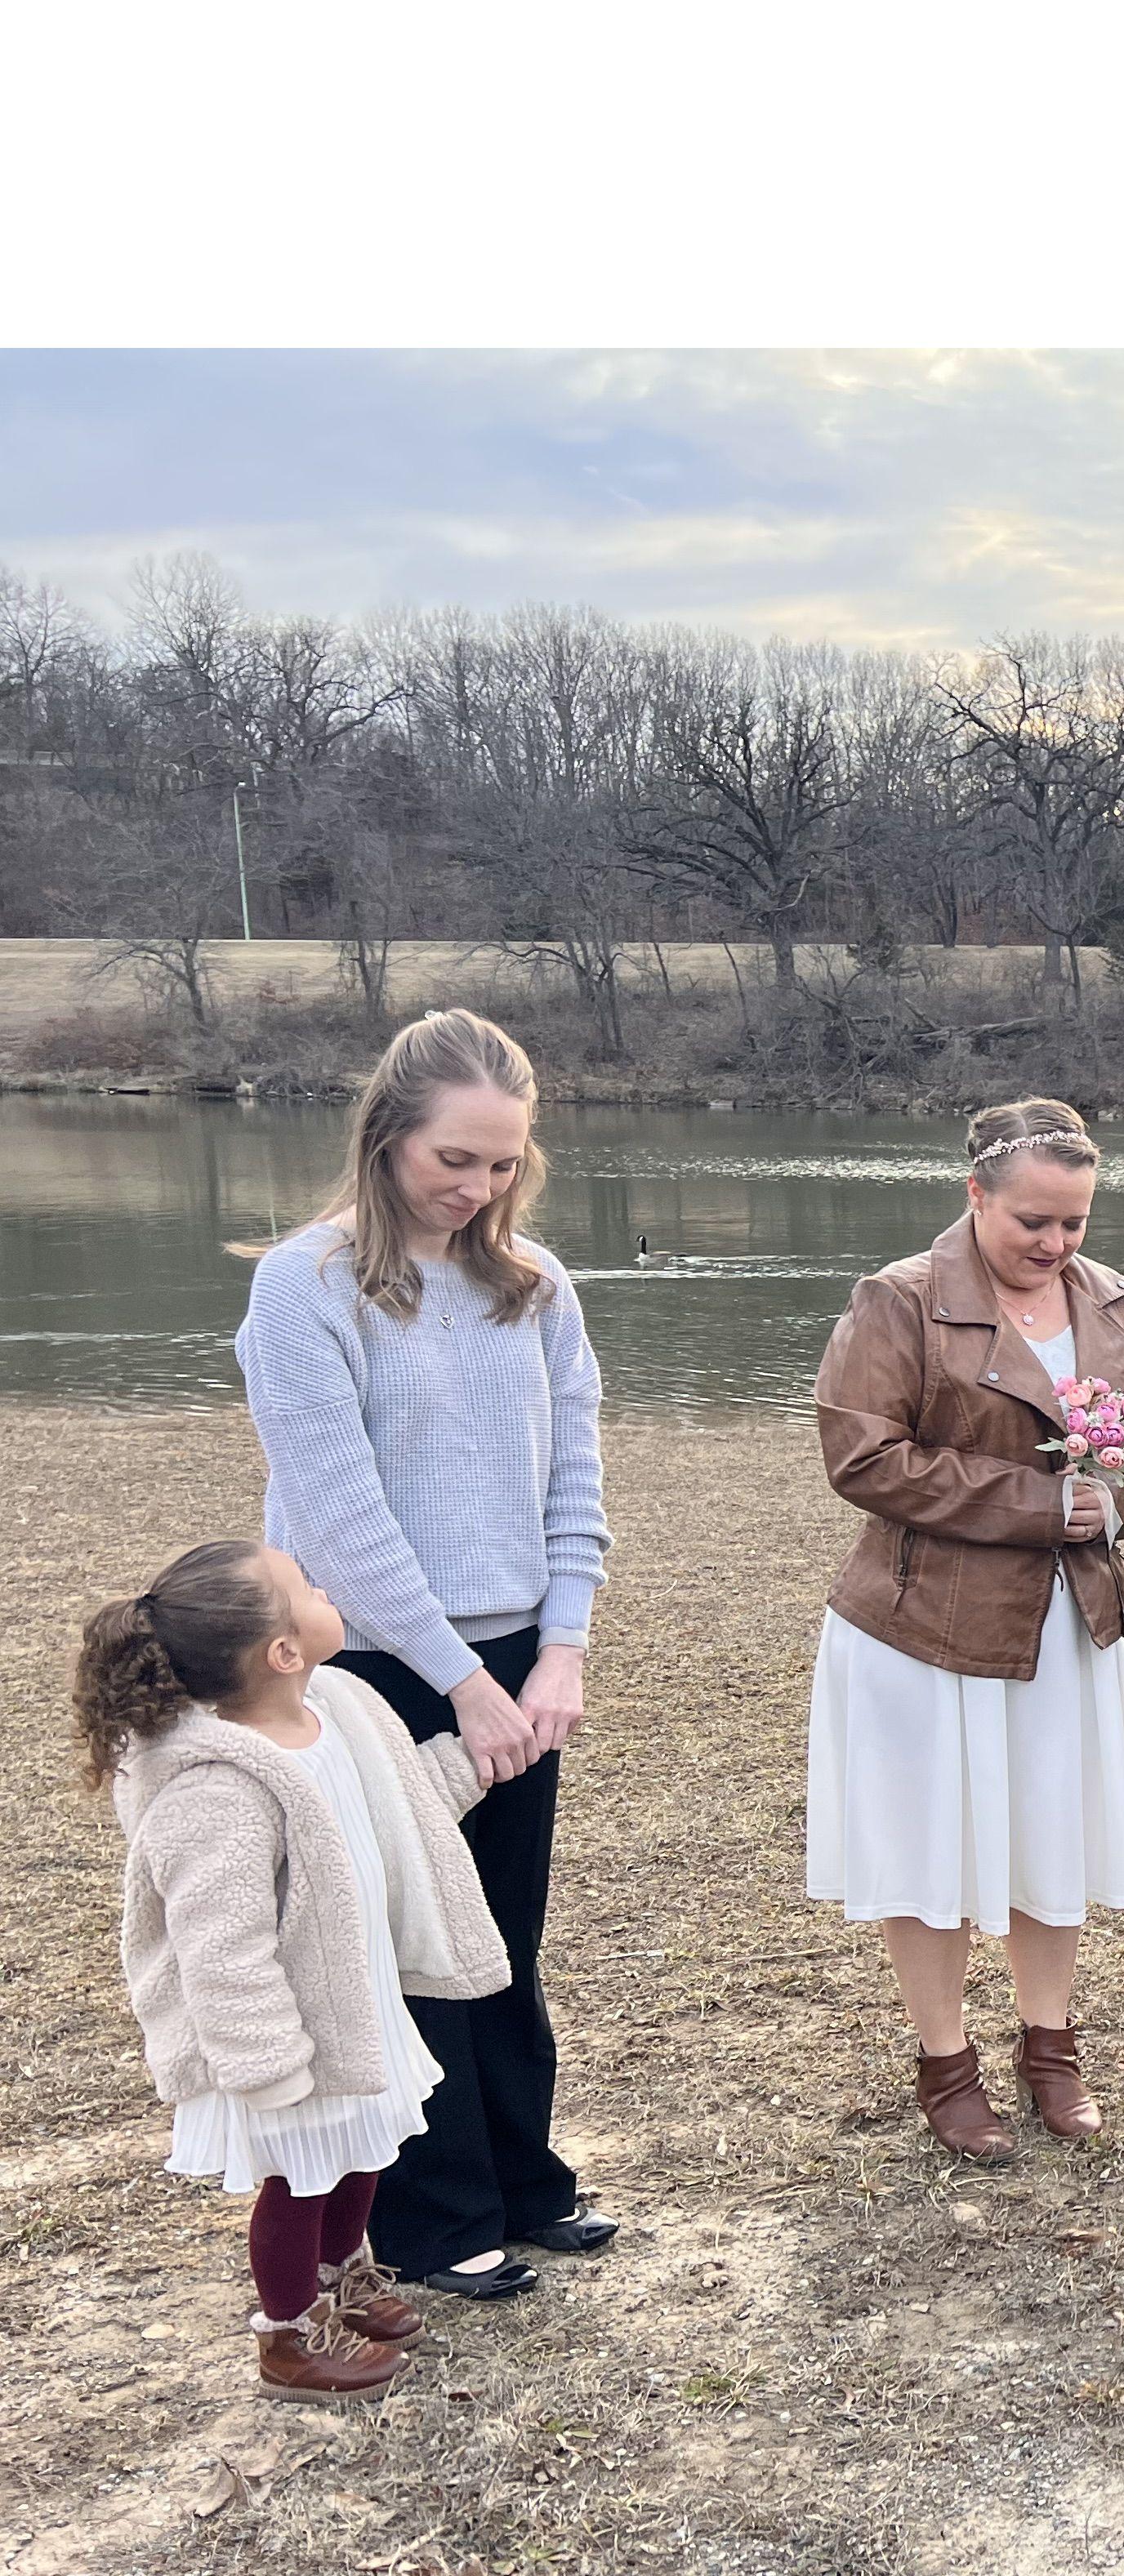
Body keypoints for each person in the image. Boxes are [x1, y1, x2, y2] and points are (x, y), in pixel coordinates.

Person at [235, 1008, 613, 2303]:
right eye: (454, 1159)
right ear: (387, 1134)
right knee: (401, 1941)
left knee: (505, 1930)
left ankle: (523, 2179)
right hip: (373, 1662)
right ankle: (428, 2215)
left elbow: (576, 1482)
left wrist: (558, 1651)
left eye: (504, 1164)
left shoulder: (539, 1285)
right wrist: (461, 1678)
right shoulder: (306, 1285)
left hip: (517, 1658)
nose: (478, 1187)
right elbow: (339, 1510)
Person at [810, 1098, 1124, 2162]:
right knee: (931, 1848)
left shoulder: (1110, 1299)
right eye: (1033, 1222)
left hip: (1065, 1623)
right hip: (925, 1631)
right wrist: (1036, 1505)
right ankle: (946, 2066)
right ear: (975, 1195)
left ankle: (1050, 2050)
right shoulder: (901, 1301)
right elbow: (862, 1456)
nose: (1056, 1245)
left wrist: (1114, 1502)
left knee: (1051, 1832)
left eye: (1074, 1223)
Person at [77, 1541, 507, 2401]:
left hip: (352, 1999)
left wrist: (475, 1762)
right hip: (284, 2034)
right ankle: (286, 2332)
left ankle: (345, 2274)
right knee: (297, 2182)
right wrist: (265, 2060)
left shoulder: (338, 1709)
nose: (325, 1587)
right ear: (282, 1651)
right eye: (306, 1588)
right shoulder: (215, 1787)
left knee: (362, 2152)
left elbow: (397, 1808)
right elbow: (218, 1942)